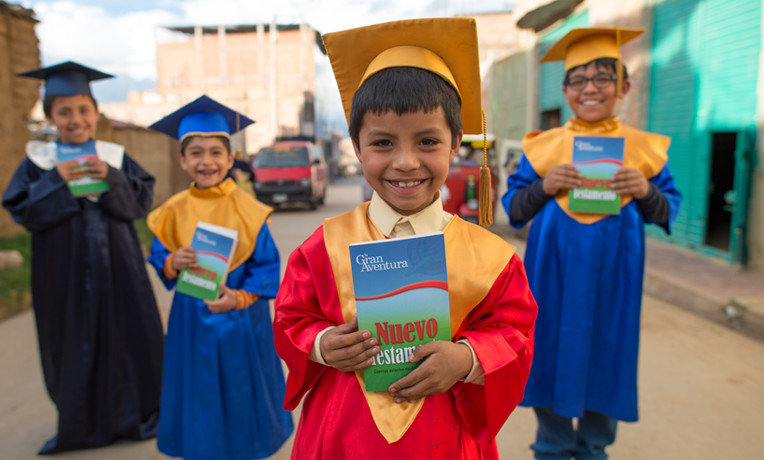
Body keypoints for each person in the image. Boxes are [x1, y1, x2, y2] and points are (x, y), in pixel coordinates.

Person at [273, 18, 537, 459]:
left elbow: (514, 333)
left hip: (444, 432)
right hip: (345, 428)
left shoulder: (491, 258)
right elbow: (291, 317)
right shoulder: (325, 244)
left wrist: (468, 358)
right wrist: (323, 343)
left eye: (428, 141)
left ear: (456, 144)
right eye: (382, 143)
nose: (406, 162)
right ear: (357, 148)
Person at [501, 27, 682, 459]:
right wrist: (544, 185)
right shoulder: (543, 148)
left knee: (606, 352)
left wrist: (645, 189)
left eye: (602, 78)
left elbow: (667, 210)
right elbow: (515, 207)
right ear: (564, 90)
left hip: (612, 283)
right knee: (550, 352)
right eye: (578, 80)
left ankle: (594, 447)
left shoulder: (644, 151)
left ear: (624, 86)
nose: (590, 89)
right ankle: (553, 445)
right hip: (552, 278)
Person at [2, 61, 164, 454]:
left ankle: (136, 416)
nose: (75, 120)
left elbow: (139, 203)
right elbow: (25, 212)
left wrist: (110, 176)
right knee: (73, 340)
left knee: (128, 334)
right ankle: (81, 426)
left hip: (119, 266)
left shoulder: (114, 155)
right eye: (64, 112)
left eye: (83, 110)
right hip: (63, 272)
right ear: (50, 116)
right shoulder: (38, 162)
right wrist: (58, 180)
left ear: (95, 113)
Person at [146, 95, 293, 460]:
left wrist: (241, 298)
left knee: (242, 388)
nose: (206, 161)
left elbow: (266, 266)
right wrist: (172, 262)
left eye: (216, 152)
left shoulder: (250, 210)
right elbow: (159, 254)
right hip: (190, 319)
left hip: (239, 316)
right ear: (183, 161)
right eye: (195, 152)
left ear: (231, 159)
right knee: (199, 389)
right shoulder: (172, 211)